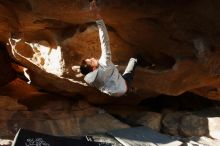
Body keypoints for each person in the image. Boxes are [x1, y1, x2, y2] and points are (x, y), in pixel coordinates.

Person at [76, 0, 144, 97]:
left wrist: (80, 68)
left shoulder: (89, 80)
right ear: (94, 68)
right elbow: (104, 40)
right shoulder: (104, 63)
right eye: (91, 60)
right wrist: (98, 19)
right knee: (133, 60)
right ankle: (148, 64)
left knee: (116, 69)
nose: (92, 58)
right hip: (123, 85)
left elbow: (88, 73)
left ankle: (129, 89)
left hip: (113, 92)